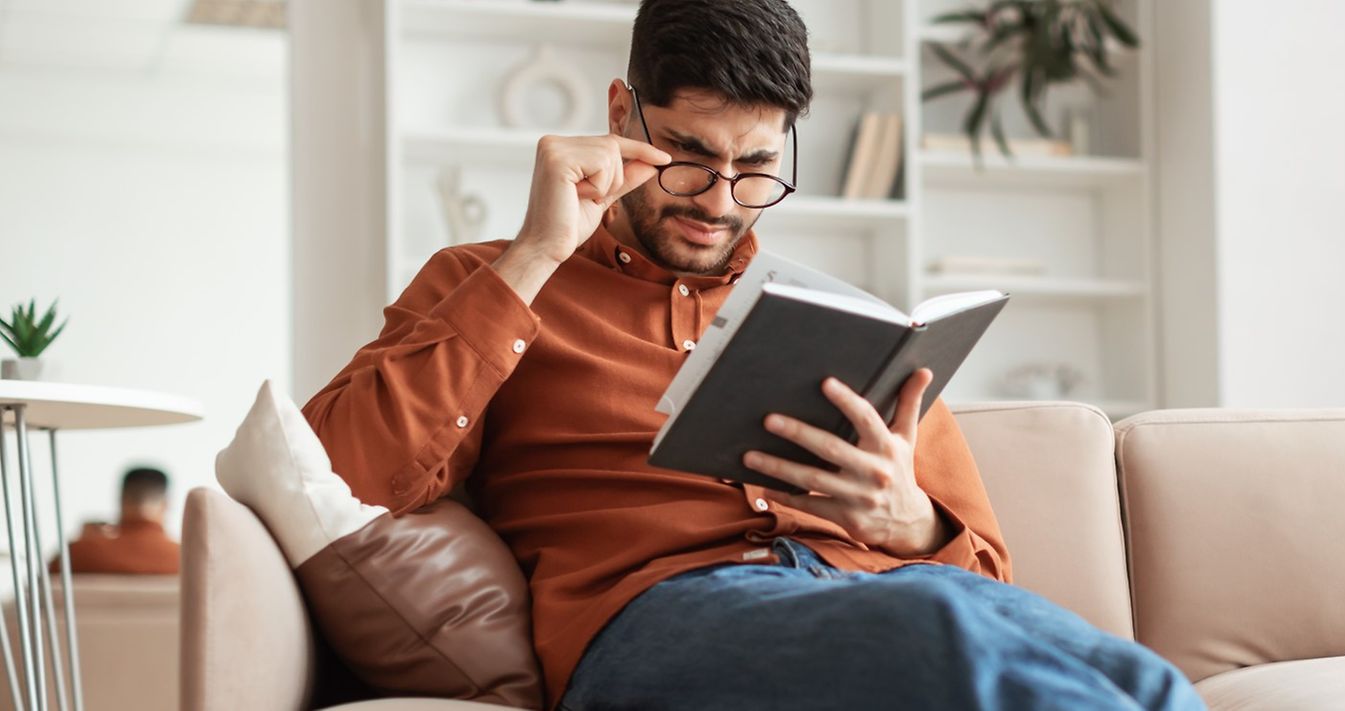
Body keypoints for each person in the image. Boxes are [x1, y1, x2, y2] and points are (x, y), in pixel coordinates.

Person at [303, 1, 1204, 709]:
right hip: (656, 620)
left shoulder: (839, 320)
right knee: (932, 629)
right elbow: (338, 471)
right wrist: (533, 256)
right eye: (688, 158)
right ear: (623, 113)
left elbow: (987, 572)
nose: (721, 201)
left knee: (1149, 681)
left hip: (873, 595)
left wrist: (910, 525)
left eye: (758, 166)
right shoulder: (492, 282)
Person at [51, 467, 180, 575]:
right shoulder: (185, 560)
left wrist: (83, 541)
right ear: (166, 505)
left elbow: (45, 588)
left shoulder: (76, 555)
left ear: (121, 500)